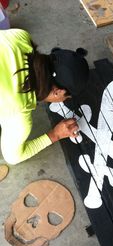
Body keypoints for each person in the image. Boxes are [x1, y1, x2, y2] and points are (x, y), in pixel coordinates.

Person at [0, 28, 89, 165]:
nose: (64, 100)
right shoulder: (17, 112)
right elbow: (13, 157)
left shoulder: (20, 36)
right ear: (58, 92)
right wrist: (55, 134)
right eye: (67, 97)